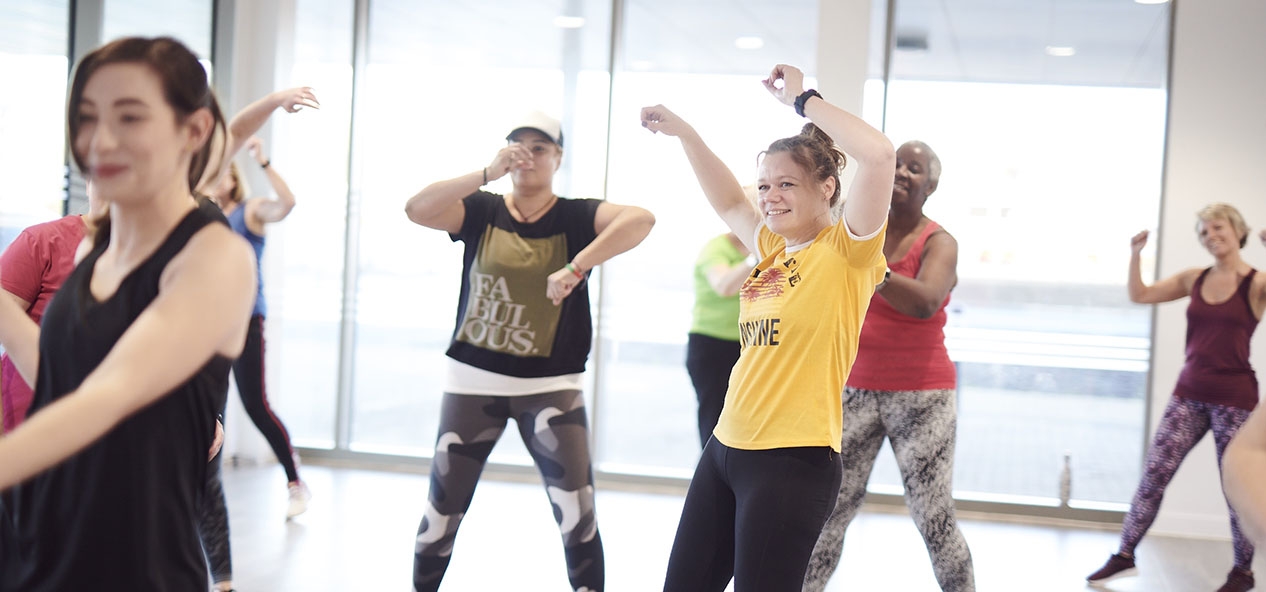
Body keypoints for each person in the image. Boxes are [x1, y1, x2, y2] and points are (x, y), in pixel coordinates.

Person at [0, 36, 257, 590]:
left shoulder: (214, 258)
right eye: (88, 117)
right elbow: (62, 380)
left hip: (133, 562)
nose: (101, 140)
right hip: (40, 540)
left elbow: (106, 398)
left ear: (193, 130)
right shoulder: (96, 248)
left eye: (130, 117)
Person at [640, 63, 895, 591]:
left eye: (786, 184)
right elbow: (730, 202)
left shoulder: (848, 253)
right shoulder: (772, 249)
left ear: (827, 187)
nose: (770, 195)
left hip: (792, 461)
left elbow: (878, 155)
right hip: (725, 447)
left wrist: (803, 99)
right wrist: (686, 133)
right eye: (765, 185)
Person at [403, 110, 655, 592]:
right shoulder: (482, 209)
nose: (528, 156)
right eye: (518, 147)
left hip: (552, 390)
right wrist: (485, 174)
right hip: (471, 385)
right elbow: (417, 209)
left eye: (540, 148)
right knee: (441, 514)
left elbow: (641, 220)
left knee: (578, 515)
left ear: (558, 157)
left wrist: (576, 267)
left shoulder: (576, 216)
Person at [803, 140, 975, 591]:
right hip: (853, 389)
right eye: (896, 163)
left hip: (923, 395)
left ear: (931, 185)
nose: (900, 172)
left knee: (933, 518)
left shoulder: (940, 242)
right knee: (827, 515)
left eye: (914, 168)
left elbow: (926, 302)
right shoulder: (861, 231)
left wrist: (867, 263)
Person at [1087, 204, 1265, 592]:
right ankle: (1125, 555)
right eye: (1202, 232)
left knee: (1236, 487)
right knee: (1154, 475)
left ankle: (1242, 573)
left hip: (1235, 400)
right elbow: (1141, 295)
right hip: (1189, 394)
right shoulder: (1193, 279)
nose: (1209, 236)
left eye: (1216, 227)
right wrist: (1135, 254)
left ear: (1237, 230)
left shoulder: (1256, 283)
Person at [207, 136, 310, 521]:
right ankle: (202, 492)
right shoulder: (199, 216)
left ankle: (295, 482)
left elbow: (288, 204)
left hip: (246, 319)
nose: (218, 182)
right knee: (209, 408)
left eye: (225, 175)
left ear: (234, 179)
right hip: (208, 324)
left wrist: (262, 162)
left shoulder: (249, 212)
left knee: (256, 405)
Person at [686, 231, 751, 446]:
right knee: (714, 424)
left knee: (744, 426)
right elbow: (724, 285)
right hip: (711, 346)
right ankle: (710, 477)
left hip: (749, 347)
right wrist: (756, 258)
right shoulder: (716, 249)